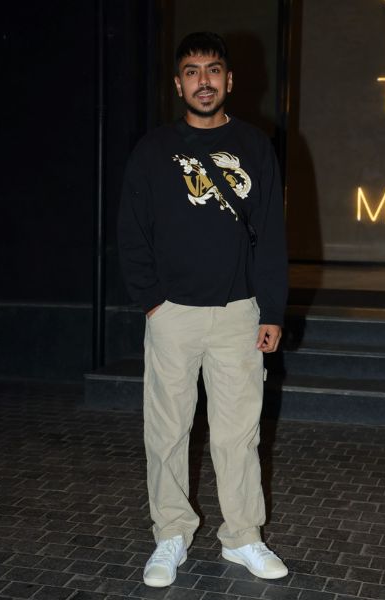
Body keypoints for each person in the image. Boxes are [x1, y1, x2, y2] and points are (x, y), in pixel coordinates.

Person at [117, 31, 289, 588]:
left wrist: (272, 310)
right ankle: (171, 533)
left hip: (239, 313)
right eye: (192, 72)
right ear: (178, 84)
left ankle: (242, 536)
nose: (203, 81)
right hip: (173, 315)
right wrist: (153, 302)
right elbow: (131, 233)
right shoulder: (152, 151)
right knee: (167, 432)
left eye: (213, 70)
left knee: (237, 434)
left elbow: (272, 236)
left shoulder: (255, 146)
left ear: (229, 80)